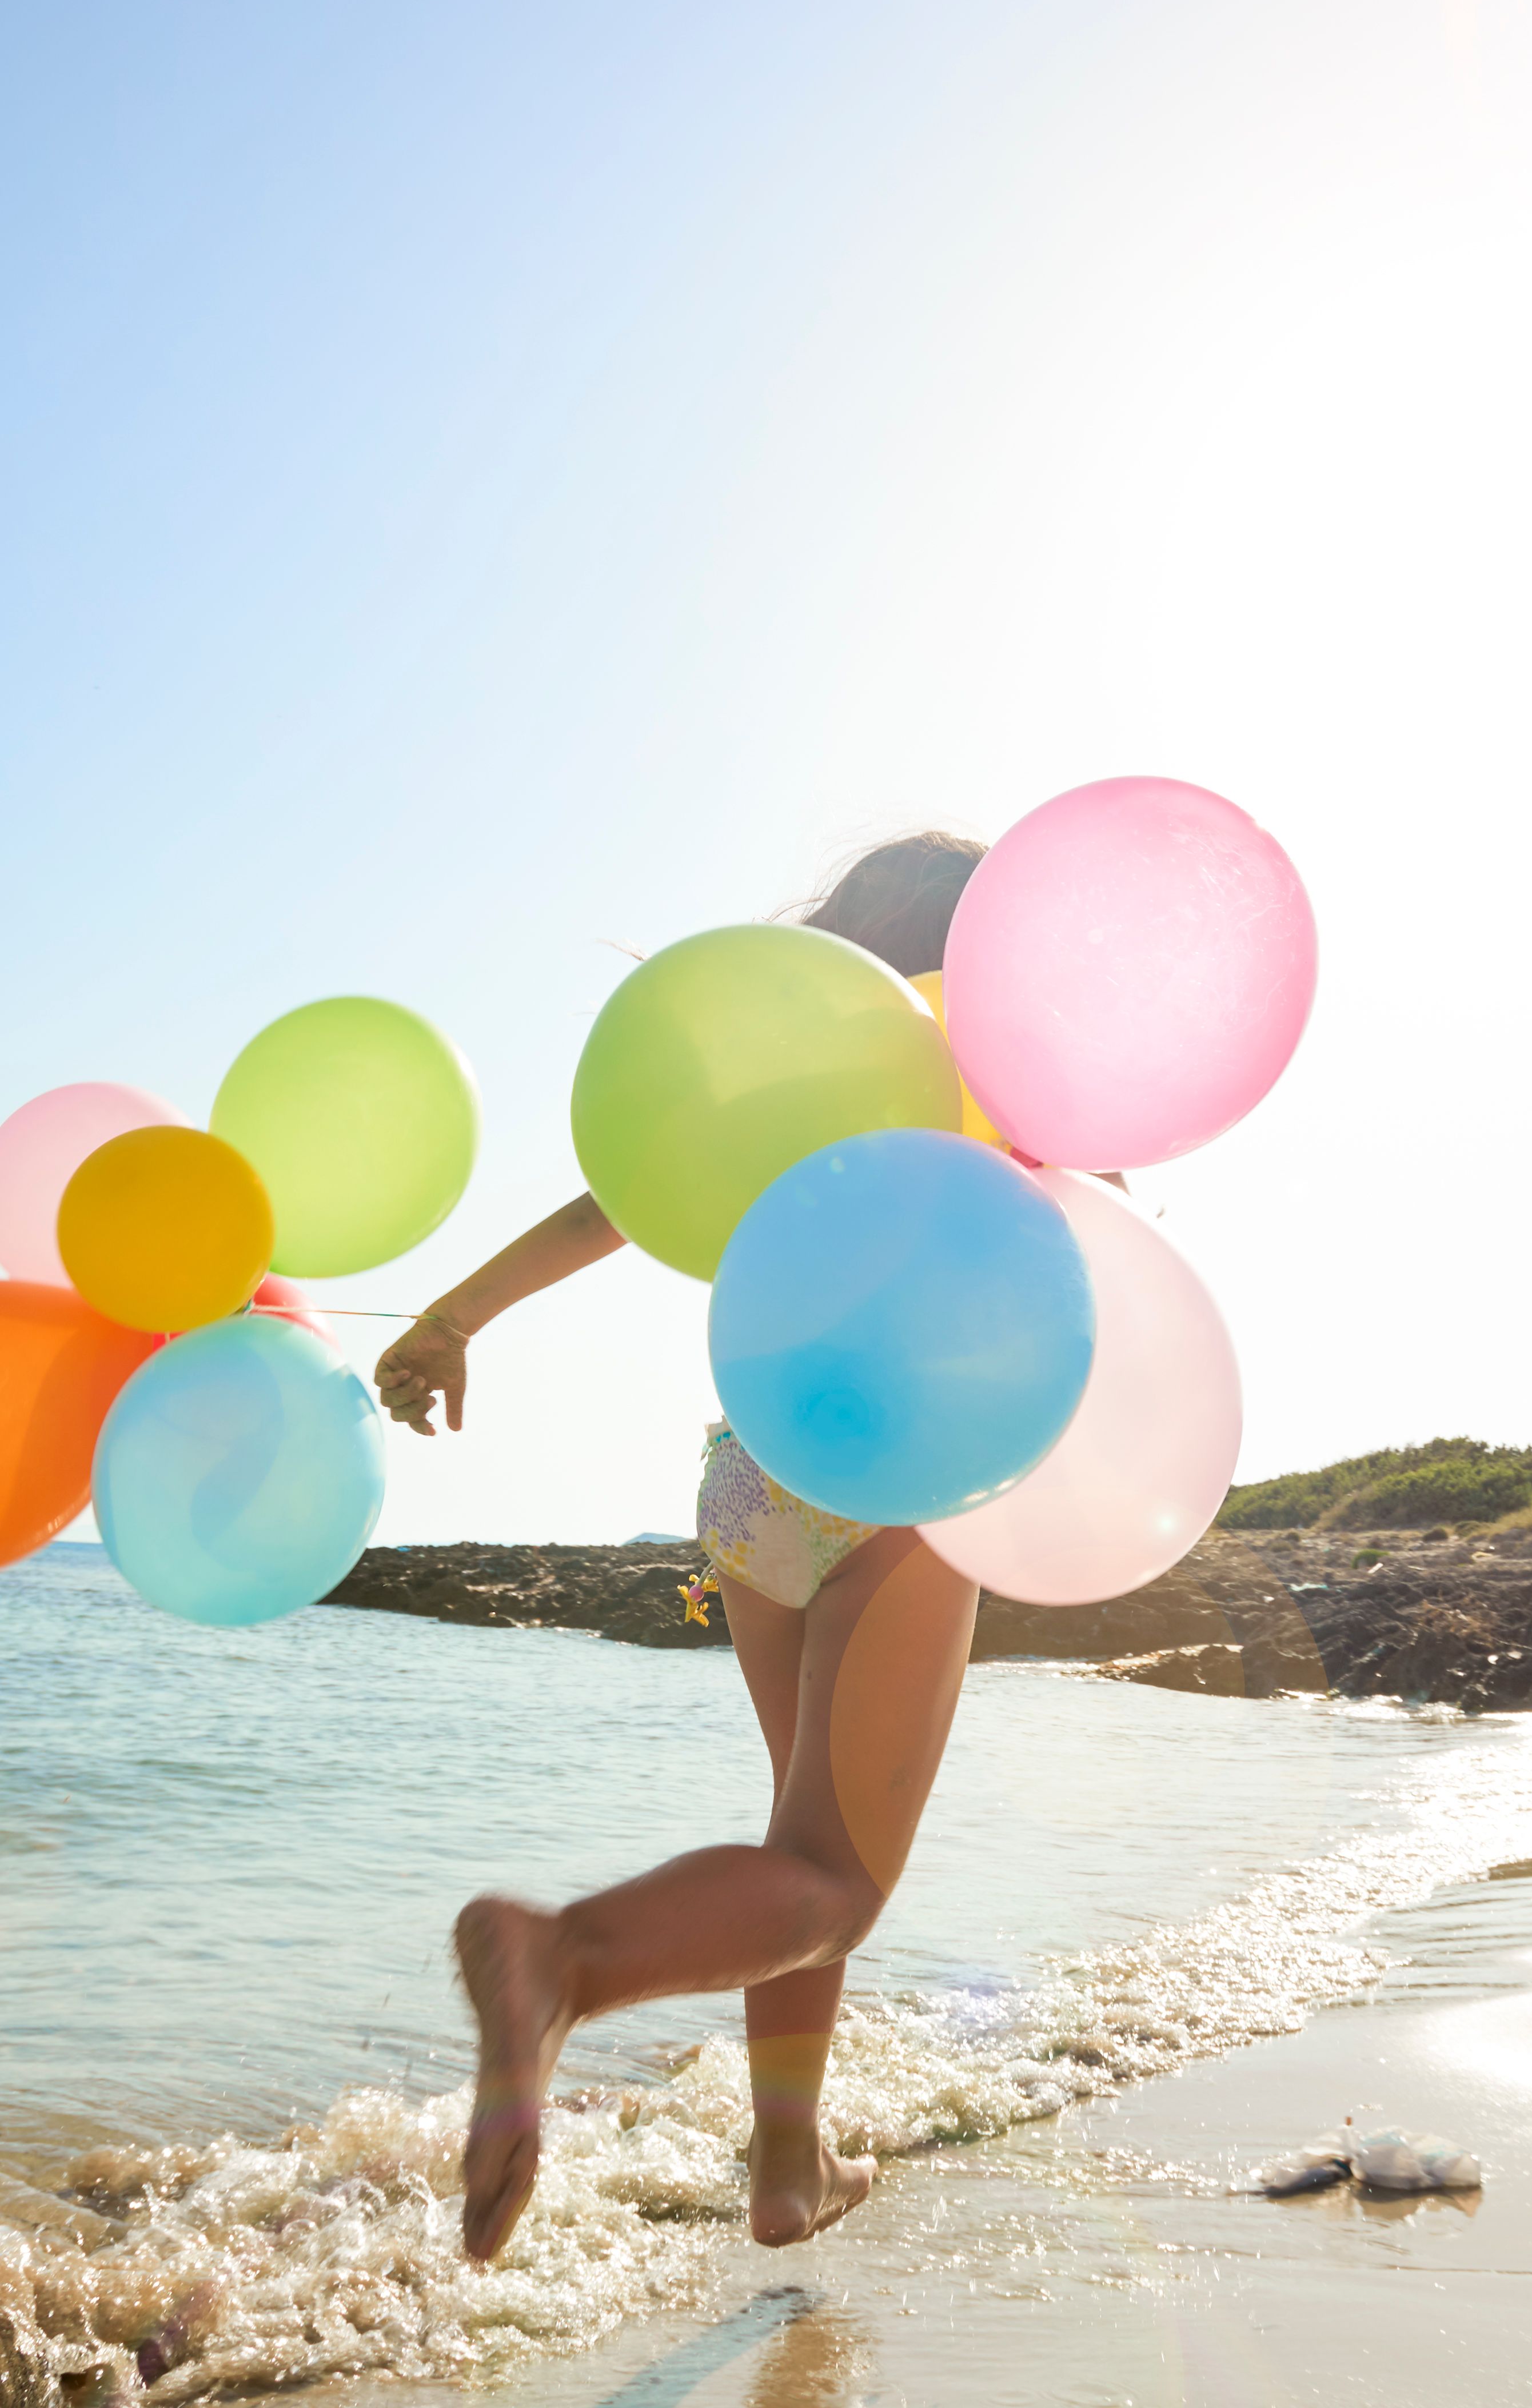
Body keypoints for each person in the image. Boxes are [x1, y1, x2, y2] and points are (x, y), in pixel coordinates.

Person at [371, 832, 989, 2265]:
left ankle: (789, 2158)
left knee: (799, 1837)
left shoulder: (788, 1070)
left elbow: (619, 1203)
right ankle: (564, 1956)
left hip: (750, 1475)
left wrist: (453, 1319)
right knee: (836, 1880)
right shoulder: (997, 1078)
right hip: (907, 1472)